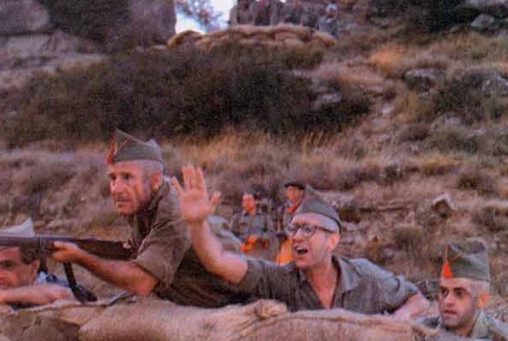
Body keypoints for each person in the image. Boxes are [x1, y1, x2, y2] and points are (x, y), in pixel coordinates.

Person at [171, 164, 429, 318]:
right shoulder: (281, 279)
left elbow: (417, 298)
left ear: (332, 240)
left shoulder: (366, 276)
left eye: (307, 229)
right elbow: (218, 261)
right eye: (293, 229)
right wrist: (198, 224)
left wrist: (400, 318)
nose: (296, 237)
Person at [50, 130, 248, 308]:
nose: (116, 189)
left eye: (127, 177)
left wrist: (81, 257)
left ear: (154, 180)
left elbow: (141, 282)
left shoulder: (174, 210)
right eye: (113, 178)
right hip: (187, 296)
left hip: (227, 300)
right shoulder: (142, 202)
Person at [418, 240, 508, 341]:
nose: (447, 301)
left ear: (482, 300)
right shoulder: (422, 331)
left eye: (459, 293)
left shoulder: (501, 339)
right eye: (443, 291)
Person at [230, 191, 277, 258]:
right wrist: (240, 244)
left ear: (256, 201)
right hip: (242, 253)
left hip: (260, 254)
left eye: (249, 200)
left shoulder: (265, 217)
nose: (246, 203)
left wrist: (259, 236)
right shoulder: (237, 217)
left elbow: (272, 233)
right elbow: (230, 235)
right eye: (244, 200)